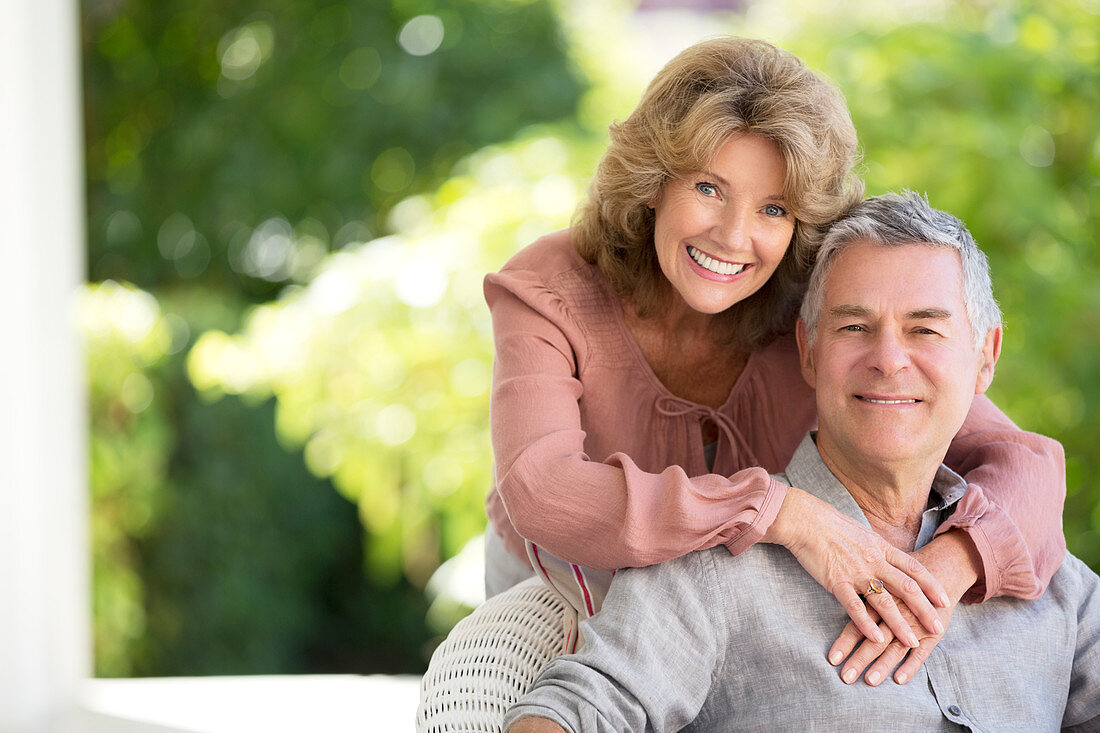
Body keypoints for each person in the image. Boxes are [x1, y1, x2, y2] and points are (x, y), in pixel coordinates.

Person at [484, 36, 1065, 666]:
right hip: (560, 579)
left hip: (742, 597)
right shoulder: (548, 289)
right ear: (654, 181)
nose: (734, 238)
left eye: (773, 208)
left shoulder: (817, 307)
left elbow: (1028, 466)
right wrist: (782, 511)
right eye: (708, 188)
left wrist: (944, 569)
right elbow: (544, 492)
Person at [503, 192, 1100, 732]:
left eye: (925, 330)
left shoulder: (1052, 580)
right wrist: (779, 510)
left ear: (985, 357)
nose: (889, 360)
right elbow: (567, 714)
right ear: (808, 353)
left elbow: (1034, 464)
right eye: (854, 326)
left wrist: (959, 561)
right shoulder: (709, 576)